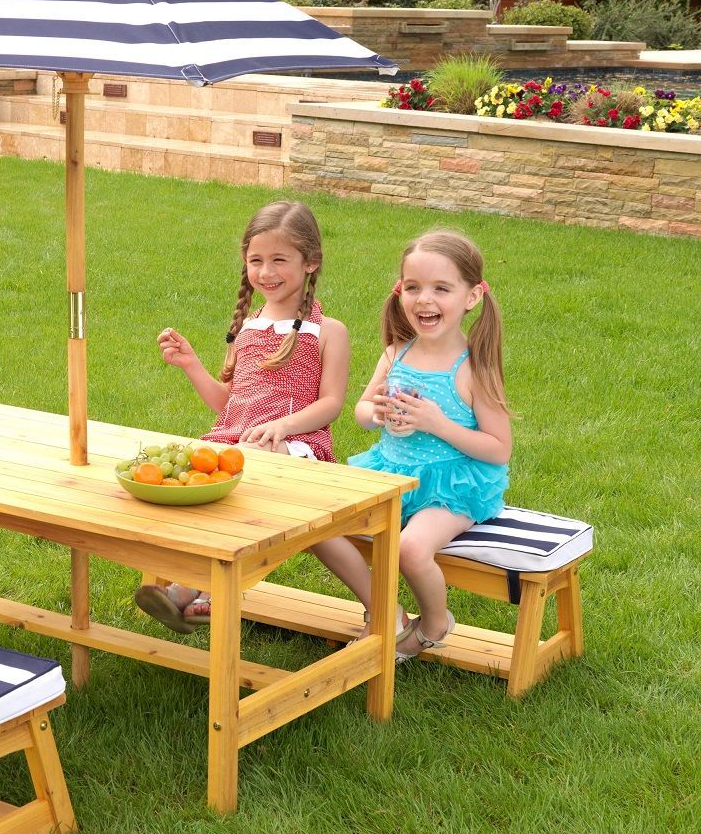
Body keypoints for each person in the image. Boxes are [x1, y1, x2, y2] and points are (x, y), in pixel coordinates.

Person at [133, 199, 368, 633]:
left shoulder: (328, 331)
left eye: (280, 260)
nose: (267, 272)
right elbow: (230, 405)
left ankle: (192, 590)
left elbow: (331, 403)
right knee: (194, 487)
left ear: (311, 262)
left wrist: (281, 426)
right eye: (256, 260)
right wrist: (191, 365)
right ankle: (197, 591)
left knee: (253, 495)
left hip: (296, 446)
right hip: (238, 443)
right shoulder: (248, 327)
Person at [343, 229, 511, 660]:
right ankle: (383, 611)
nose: (424, 300)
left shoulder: (475, 367)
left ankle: (435, 622)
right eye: (413, 287)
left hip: (451, 484)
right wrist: (375, 412)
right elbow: (361, 410)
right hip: (390, 469)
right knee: (321, 518)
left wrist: (437, 423)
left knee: (411, 548)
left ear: (472, 296)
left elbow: (499, 448)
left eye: (441, 288)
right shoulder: (396, 352)